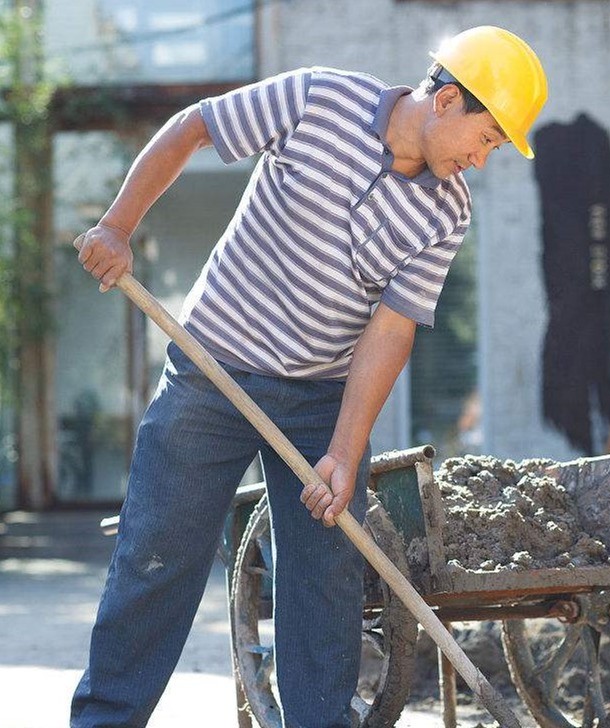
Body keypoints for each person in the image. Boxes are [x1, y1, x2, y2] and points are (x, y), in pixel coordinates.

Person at [69, 26, 547, 727]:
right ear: (447, 100)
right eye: (487, 139)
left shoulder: (446, 213)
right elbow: (193, 129)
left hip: (320, 396)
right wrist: (117, 226)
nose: (482, 159)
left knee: (324, 577)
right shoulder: (318, 99)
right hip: (213, 367)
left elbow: (391, 330)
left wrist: (346, 454)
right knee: (156, 557)